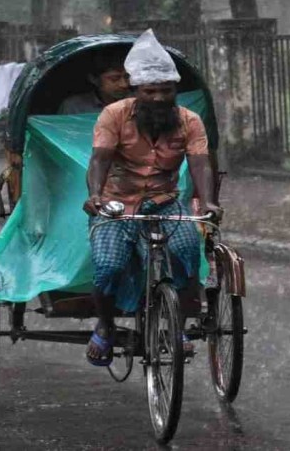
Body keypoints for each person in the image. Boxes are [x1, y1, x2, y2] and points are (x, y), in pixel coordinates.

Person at [83, 29, 221, 366]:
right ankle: (105, 325)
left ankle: (179, 327)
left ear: (175, 91)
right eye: (151, 91)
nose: (159, 97)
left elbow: (201, 164)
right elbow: (99, 160)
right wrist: (95, 197)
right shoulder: (113, 115)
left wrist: (208, 202)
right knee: (108, 267)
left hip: (165, 201)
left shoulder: (189, 121)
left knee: (188, 256)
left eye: (166, 90)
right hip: (117, 204)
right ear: (136, 90)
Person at [58, 49, 131, 114]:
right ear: (94, 79)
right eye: (114, 79)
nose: (124, 84)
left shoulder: (136, 102)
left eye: (127, 77)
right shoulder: (75, 106)